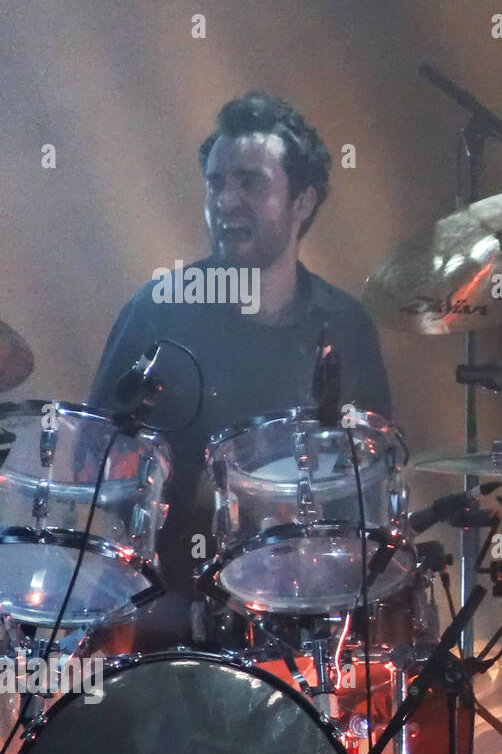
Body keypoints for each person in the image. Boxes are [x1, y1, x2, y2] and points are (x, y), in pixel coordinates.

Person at [89, 92, 392, 652]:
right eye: (215, 182)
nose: (225, 200)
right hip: (170, 619)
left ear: (302, 201)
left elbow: (372, 484)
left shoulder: (345, 326)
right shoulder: (157, 312)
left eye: (250, 183)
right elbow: (96, 468)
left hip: (316, 615)